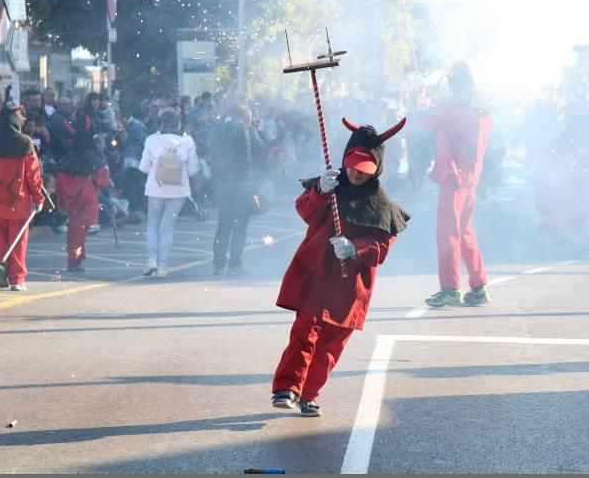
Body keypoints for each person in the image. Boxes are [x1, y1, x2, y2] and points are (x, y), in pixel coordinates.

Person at [271, 117, 409, 417]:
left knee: (332, 344)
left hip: (350, 286)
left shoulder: (383, 205)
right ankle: (287, 388)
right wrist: (319, 190)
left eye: (364, 169)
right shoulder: (330, 186)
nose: (356, 173)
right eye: (352, 165)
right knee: (304, 332)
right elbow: (304, 212)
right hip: (316, 274)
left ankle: (309, 393)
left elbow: (382, 248)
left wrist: (356, 248)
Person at [424, 61, 493, 308]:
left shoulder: (451, 106)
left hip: (454, 175)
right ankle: (478, 285)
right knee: (465, 232)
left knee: (448, 234)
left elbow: (427, 122)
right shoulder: (483, 107)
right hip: (470, 176)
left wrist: (423, 105)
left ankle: (450, 288)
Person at [0, 102, 44, 291]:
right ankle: (16, 278)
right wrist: (39, 198)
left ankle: (1, 268)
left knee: (1, 237)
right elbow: (33, 175)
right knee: (18, 239)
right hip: (18, 199)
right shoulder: (25, 142)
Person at [139, 109, 199, 277]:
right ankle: (163, 267)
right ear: (178, 122)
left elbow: (143, 167)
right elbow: (193, 170)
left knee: (152, 224)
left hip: (155, 187)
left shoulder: (152, 140)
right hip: (178, 190)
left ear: (161, 122)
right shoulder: (187, 141)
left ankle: (151, 259)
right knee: (167, 228)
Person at [211, 104, 265, 276]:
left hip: (223, 183)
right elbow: (260, 152)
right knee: (240, 224)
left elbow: (213, 154)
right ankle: (235, 265)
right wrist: (258, 131)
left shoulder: (220, 130)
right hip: (242, 183)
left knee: (224, 224)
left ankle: (218, 265)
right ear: (246, 116)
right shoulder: (247, 130)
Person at [55, 116, 110, 272]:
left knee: (73, 229)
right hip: (86, 199)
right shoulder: (93, 158)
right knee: (80, 232)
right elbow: (102, 182)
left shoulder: (67, 159)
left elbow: (59, 181)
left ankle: (74, 257)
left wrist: (60, 202)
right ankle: (75, 259)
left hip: (70, 199)